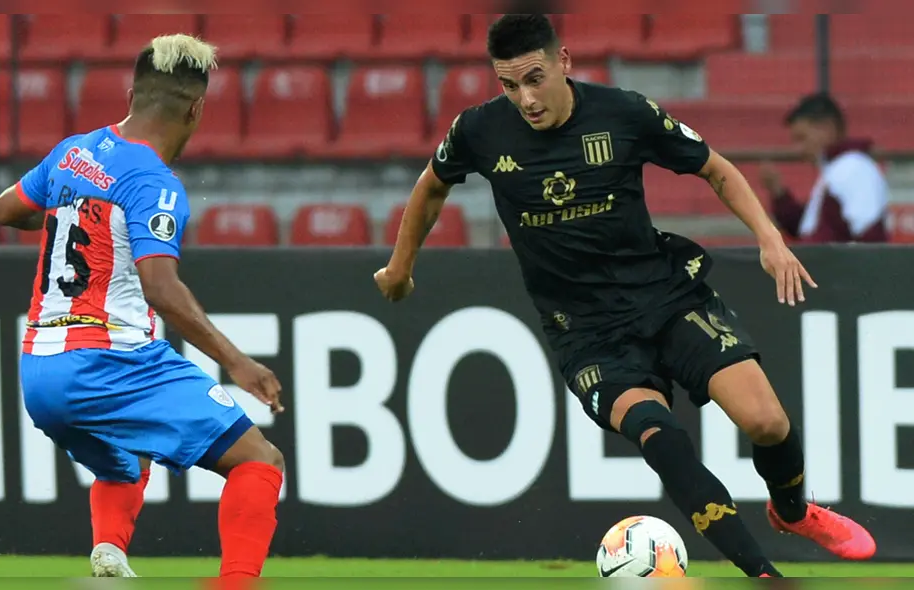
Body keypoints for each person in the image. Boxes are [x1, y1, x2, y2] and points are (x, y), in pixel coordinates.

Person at [373, 15, 876, 578]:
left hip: (667, 299)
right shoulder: (479, 131)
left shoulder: (624, 113)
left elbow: (716, 170)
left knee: (767, 424)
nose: (526, 99)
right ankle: (762, 574)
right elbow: (431, 186)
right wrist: (400, 266)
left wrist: (771, 240)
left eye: (535, 78)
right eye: (510, 86)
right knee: (664, 441)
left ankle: (792, 511)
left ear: (563, 60)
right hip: (586, 334)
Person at [0, 34, 285, 580]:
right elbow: (161, 289)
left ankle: (110, 551)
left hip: (39, 369)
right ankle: (237, 582)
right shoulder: (154, 182)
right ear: (196, 109)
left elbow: (5, 209)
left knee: (129, 455)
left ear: (132, 93)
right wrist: (238, 362)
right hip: (109, 359)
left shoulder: (72, 151)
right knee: (259, 460)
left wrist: (63, 204)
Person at [761, 92, 890, 243]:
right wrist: (778, 192)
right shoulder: (836, 170)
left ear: (827, 128)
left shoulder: (853, 169)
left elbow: (869, 238)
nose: (798, 149)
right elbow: (810, 230)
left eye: (802, 138)